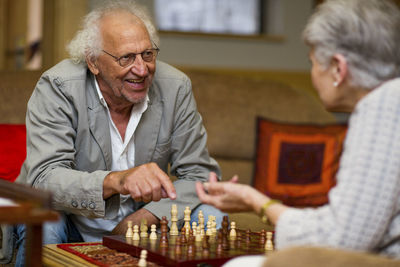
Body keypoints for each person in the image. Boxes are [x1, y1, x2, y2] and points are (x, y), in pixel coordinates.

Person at [13, 0, 224, 265]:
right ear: (93, 61)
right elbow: (45, 178)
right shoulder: (59, 87)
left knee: (211, 214)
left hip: (141, 225)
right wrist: (117, 181)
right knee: (46, 222)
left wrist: (143, 218)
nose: (141, 69)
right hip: (69, 223)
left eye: (148, 54)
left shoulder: (175, 87)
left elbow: (200, 175)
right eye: (126, 58)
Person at [196, 0, 400, 264]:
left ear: (339, 68)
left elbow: (340, 237)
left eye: (313, 62)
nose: (313, 73)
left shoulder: (382, 106)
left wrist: (256, 201)